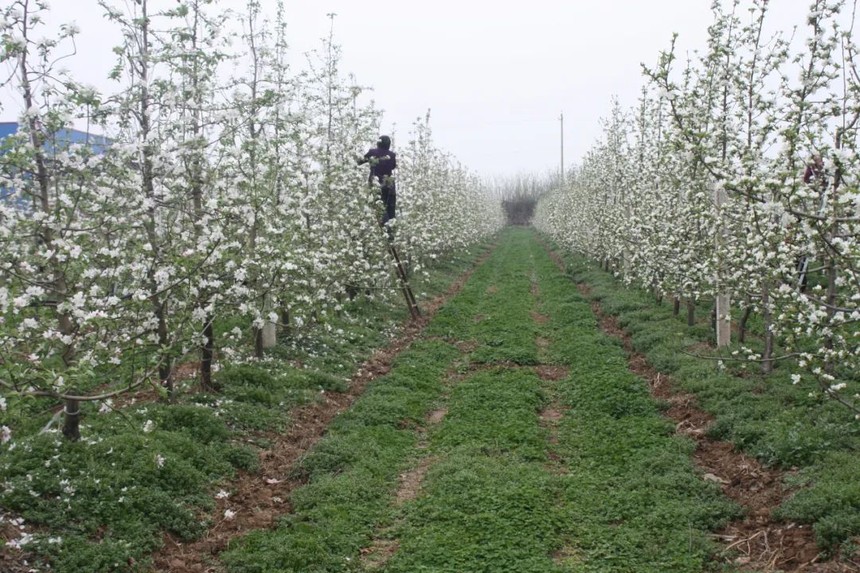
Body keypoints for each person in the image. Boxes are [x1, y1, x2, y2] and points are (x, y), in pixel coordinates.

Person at [357, 135, 396, 225]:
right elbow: (393, 166)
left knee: (379, 207)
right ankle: (391, 233)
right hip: (390, 185)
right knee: (390, 210)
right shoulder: (392, 155)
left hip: (376, 184)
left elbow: (360, 162)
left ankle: (385, 229)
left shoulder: (372, 152)